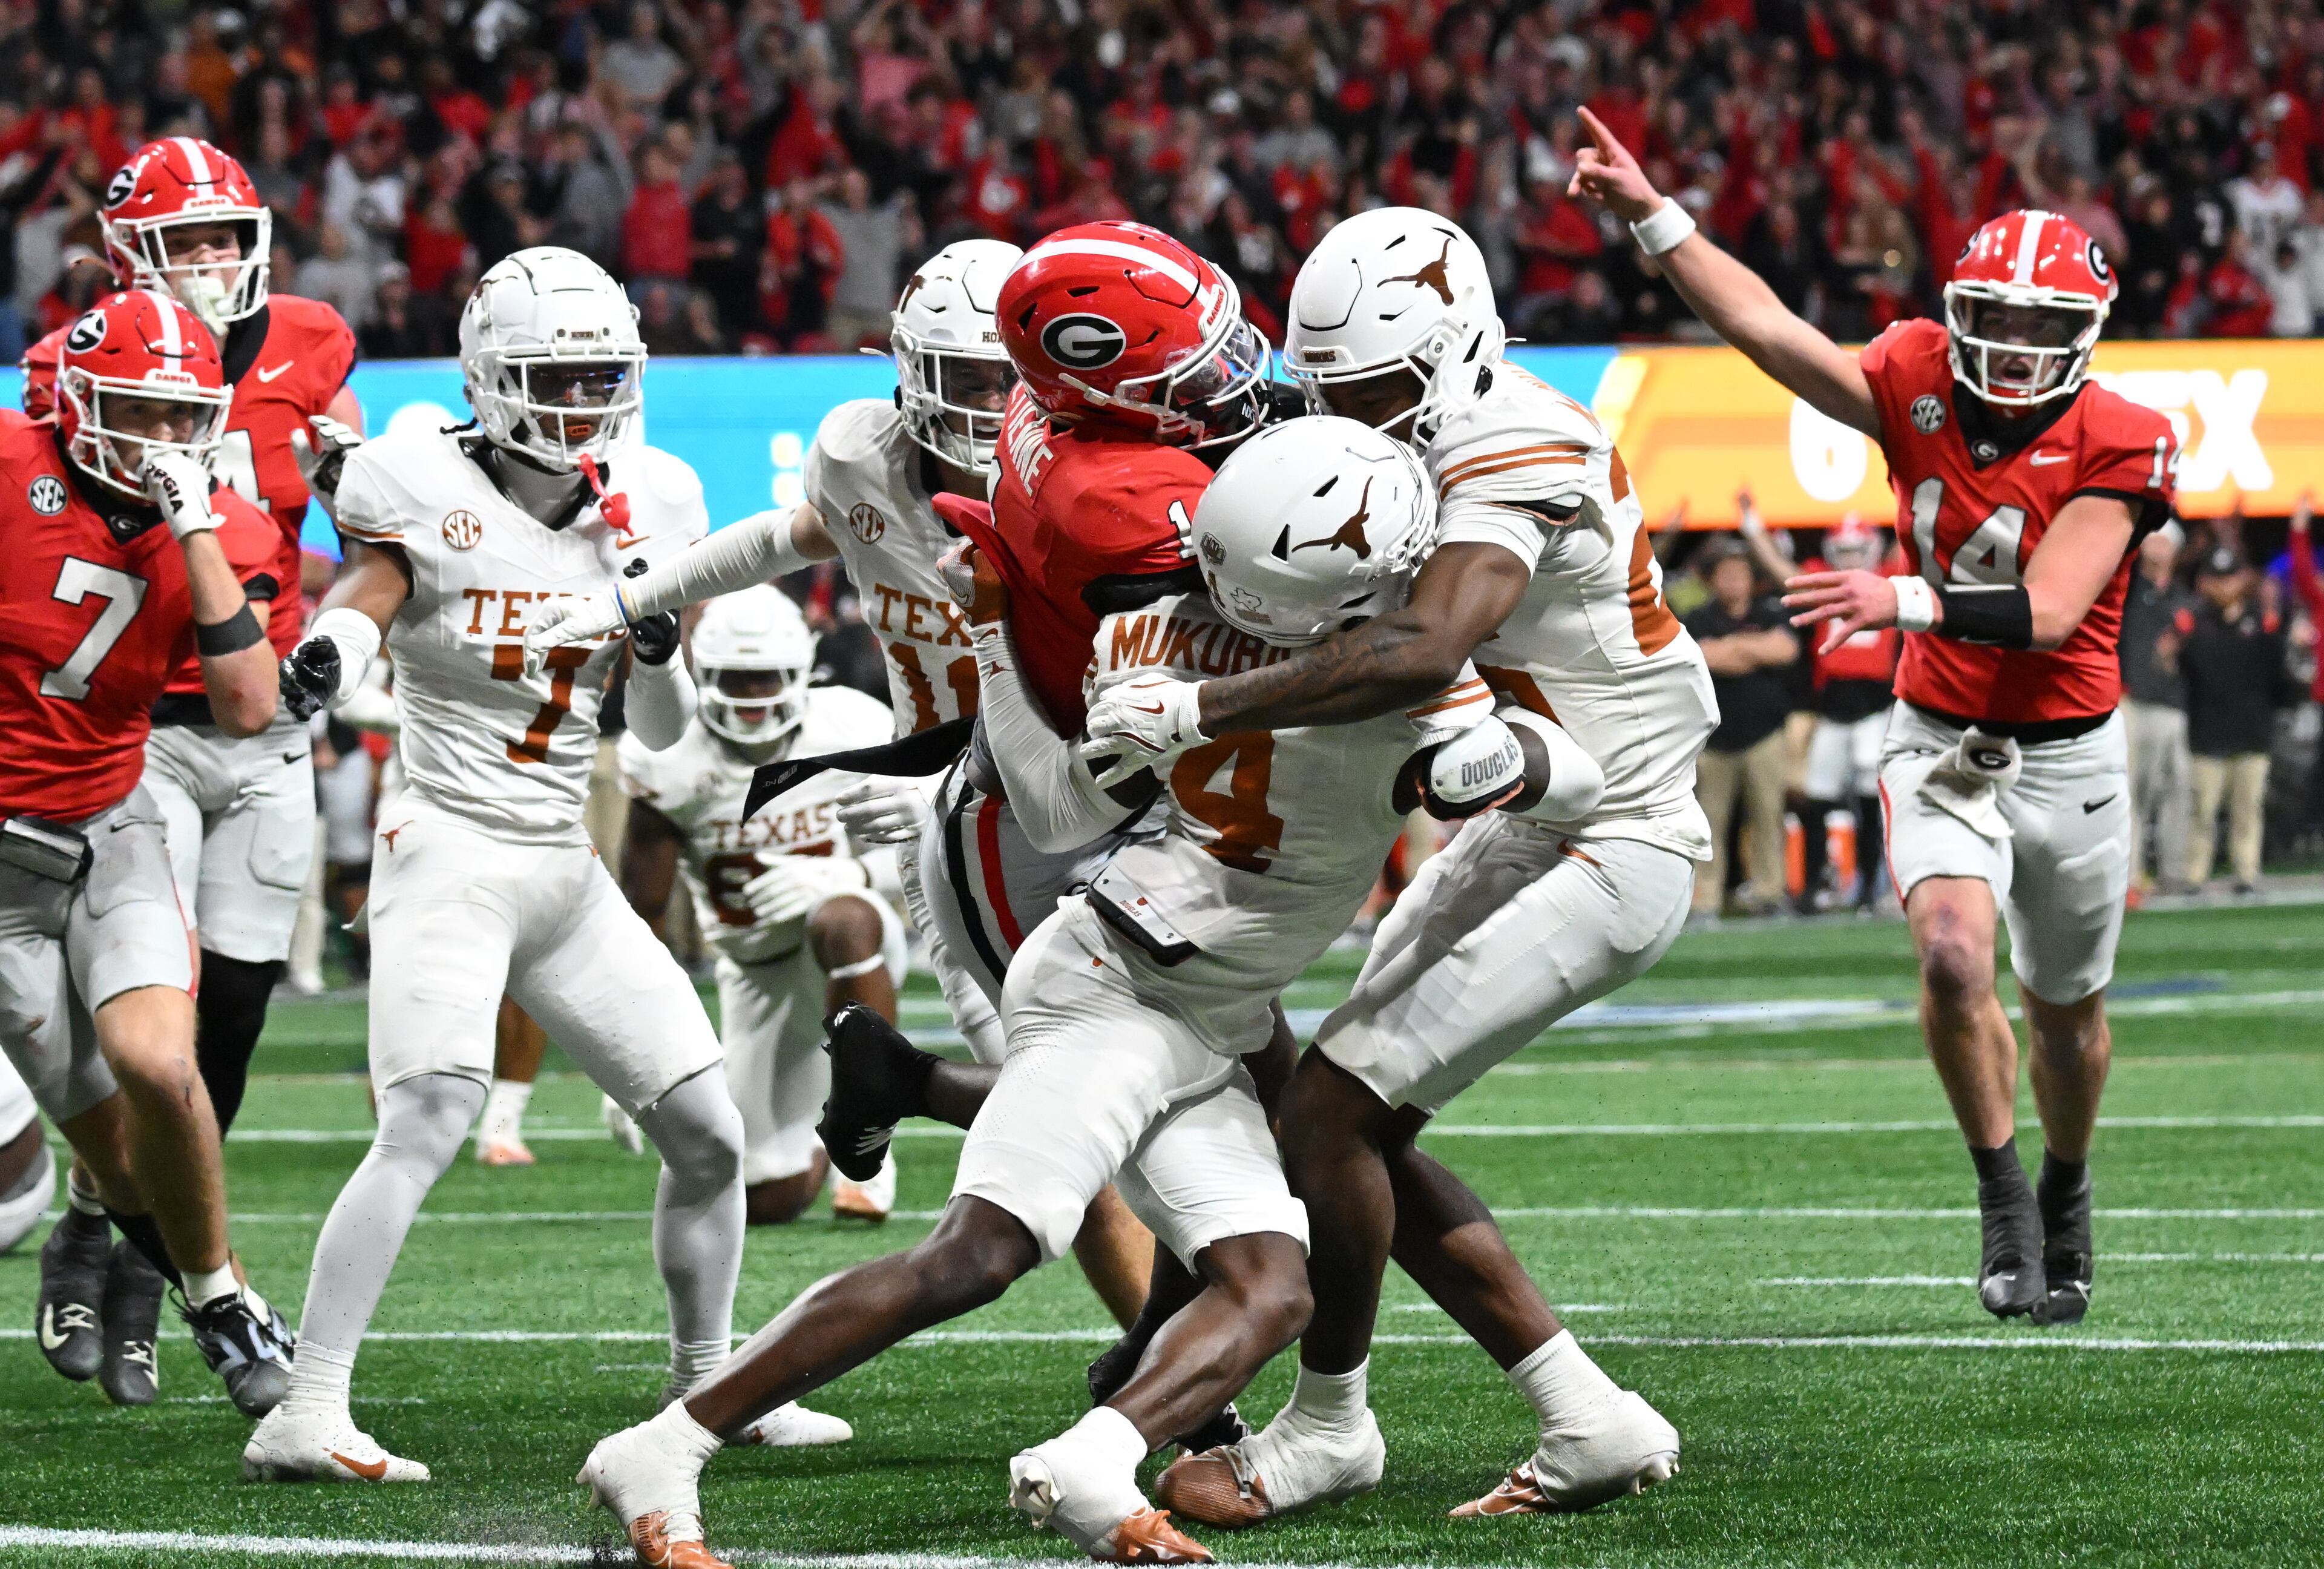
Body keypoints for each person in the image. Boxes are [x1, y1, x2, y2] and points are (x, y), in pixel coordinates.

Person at [575, 415, 1578, 1569]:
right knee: (977, 1255)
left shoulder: (1294, 648)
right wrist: (997, 633)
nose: (1233, 603)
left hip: (1212, 1006)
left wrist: (1516, 760)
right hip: (1116, 982)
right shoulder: (1279, 645)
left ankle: (1094, 1459)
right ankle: (667, 1443)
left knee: (1272, 1283)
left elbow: (1559, 771)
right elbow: (1053, 813)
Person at [1079, 206, 1704, 1523]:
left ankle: (1328, 1427)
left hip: (1614, 826)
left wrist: (1195, 711)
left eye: (1379, 390)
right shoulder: (1410, 427)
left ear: (1461, 352)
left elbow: (1424, 647)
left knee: (1329, 1118)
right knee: (1342, 1116)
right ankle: (1584, 1417)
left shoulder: (1515, 438)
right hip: (1527, 816)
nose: (1355, 418)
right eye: (1333, 392)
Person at [240, 248, 842, 1484]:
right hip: (450, 842)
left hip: (563, 861)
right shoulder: (413, 478)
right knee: (428, 1115)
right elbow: (373, 585)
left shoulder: (656, 498)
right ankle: (307, 1405)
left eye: (598, 372)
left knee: (710, 1134)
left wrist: (662, 644)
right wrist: (334, 650)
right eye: (553, 373)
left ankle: (711, 1389)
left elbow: (663, 739)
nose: (580, 397)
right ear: (489, 375)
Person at [1567, 114, 2178, 1326]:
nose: (2006, 349)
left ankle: (2066, 1185)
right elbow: (1765, 328)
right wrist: (1652, 213)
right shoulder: (1911, 375)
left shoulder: (2124, 435)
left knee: (2067, 1013)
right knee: (1953, 958)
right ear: (1956, 313)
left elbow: (2052, 611)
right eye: (1989, 321)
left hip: (2071, 758)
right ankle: (2002, 1192)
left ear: (2085, 344)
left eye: (2037, 331)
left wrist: (1895, 595)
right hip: (1940, 738)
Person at [526, 236, 1160, 1326]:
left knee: (1183, 1113)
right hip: (962, 832)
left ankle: (1198, 1350)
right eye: (962, 377)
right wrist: (646, 594)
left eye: (1005, 373)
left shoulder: (1094, 484)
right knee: (1068, 1119)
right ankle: (1185, 1381)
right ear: (907, 372)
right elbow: (799, 533)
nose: (987, 401)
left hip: (1104, 804)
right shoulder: (864, 461)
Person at [22, 136, 364, 1150]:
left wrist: (343, 595)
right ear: (132, 254)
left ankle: (159, 1216)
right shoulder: (74, 365)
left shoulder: (310, 339)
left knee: (240, 1000)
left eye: (227, 235)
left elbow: (361, 526)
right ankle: (112, 1228)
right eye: (187, 240)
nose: (214, 258)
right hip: (144, 705)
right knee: (148, 984)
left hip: (266, 707)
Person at [1, 288, 294, 1416]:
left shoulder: (223, 522)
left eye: (184, 418)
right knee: (113, 1151)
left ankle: (221, 1301)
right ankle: (133, 1259)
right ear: (78, 403)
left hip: (111, 821)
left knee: (163, 1066)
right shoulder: (8, 463)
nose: (163, 442)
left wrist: (196, 526)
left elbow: (248, 704)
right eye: (137, 414)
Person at [617, 586, 905, 1225]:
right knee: (767, 1203)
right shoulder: (669, 755)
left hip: (849, 941)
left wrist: (848, 871)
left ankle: (873, 1136)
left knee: (844, 917)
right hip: (755, 972)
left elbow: (929, 847)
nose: (753, 699)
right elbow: (640, 917)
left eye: (766, 679)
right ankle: (817, 1142)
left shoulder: (849, 725)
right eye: (737, 681)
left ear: (801, 672)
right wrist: (628, 1049)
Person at [1684, 536, 1799, 916]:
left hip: (1764, 733)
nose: (1733, 581)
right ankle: (1706, 897)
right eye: (1726, 574)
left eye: (1740, 574)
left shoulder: (1772, 611)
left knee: (1769, 816)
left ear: (1753, 579)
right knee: (1709, 822)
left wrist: (1729, 648)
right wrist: (1752, 648)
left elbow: (1785, 650)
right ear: (1713, 580)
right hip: (1712, 737)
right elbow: (1698, 658)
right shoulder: (1699, 618)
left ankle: (1770, 893)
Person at [2179, 547, 2293, 893]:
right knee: (2202, 810)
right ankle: (2194, 876)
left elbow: (2279, 678)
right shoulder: (2196, 624)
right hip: (2208, 734)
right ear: (2207, 584)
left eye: (2230, 578)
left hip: (2252, 732)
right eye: (2218, 579)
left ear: (2242, 581)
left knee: (2248, 810)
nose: (2225, 587)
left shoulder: (2263, 623)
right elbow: (2187, 678)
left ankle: (2246, 872)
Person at [2121, 526, 2196, 894]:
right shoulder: (2129, 593)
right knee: (2133, 791)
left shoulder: (2185, 599)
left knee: (2177, 790)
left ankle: (2174, 871)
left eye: (2164, 541)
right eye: (2152, 539)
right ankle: (2131, 873)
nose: (2157, 548)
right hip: (2133, 703)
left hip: (2174, 706)